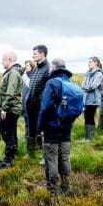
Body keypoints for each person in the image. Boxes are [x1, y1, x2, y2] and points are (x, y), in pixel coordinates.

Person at [38, 58, 79, 197]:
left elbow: (44, 107)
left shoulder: (52, 82)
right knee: (65, 158)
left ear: (54, 67)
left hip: (51, 127)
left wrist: (39, 128)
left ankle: (52, 189)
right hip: (67, 127)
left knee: (51, 158)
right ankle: (66, 186)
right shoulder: (70, 83)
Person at [0, 51, 24, 170]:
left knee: (7, 133)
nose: (2, 62)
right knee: (10, 132)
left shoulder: (13, 73)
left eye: (3, 60)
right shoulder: (12, 73)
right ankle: (10, 157)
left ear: (10, 59)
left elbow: (10, 92)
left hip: (9, 110)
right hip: (10, 109)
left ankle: (8, 161)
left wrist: (4, 108)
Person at [25, 45, 51, 159]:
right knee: (31, 129)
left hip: (41, 106)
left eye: (35, 53)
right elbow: (31, 86)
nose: (33, 55)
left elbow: (48, 90)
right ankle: (30, 153)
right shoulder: (35, 68)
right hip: (31, 105)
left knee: (43, 131)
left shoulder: (48, 68)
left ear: (42, 54)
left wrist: (44, 105)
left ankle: (46, 157)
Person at [80, 56, 103, 141]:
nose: (89, 63)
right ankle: (86, 137)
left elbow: (92, 86)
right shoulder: (88, 73)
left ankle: (90, 138)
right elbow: (82, 85)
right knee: (86, 117)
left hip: (94, 99)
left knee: (90, 117)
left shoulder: (99, 74)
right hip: (86, 99)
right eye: (89, 62)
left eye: (91, 62)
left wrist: (85, 87)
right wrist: (85, 87)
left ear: (96, 63)